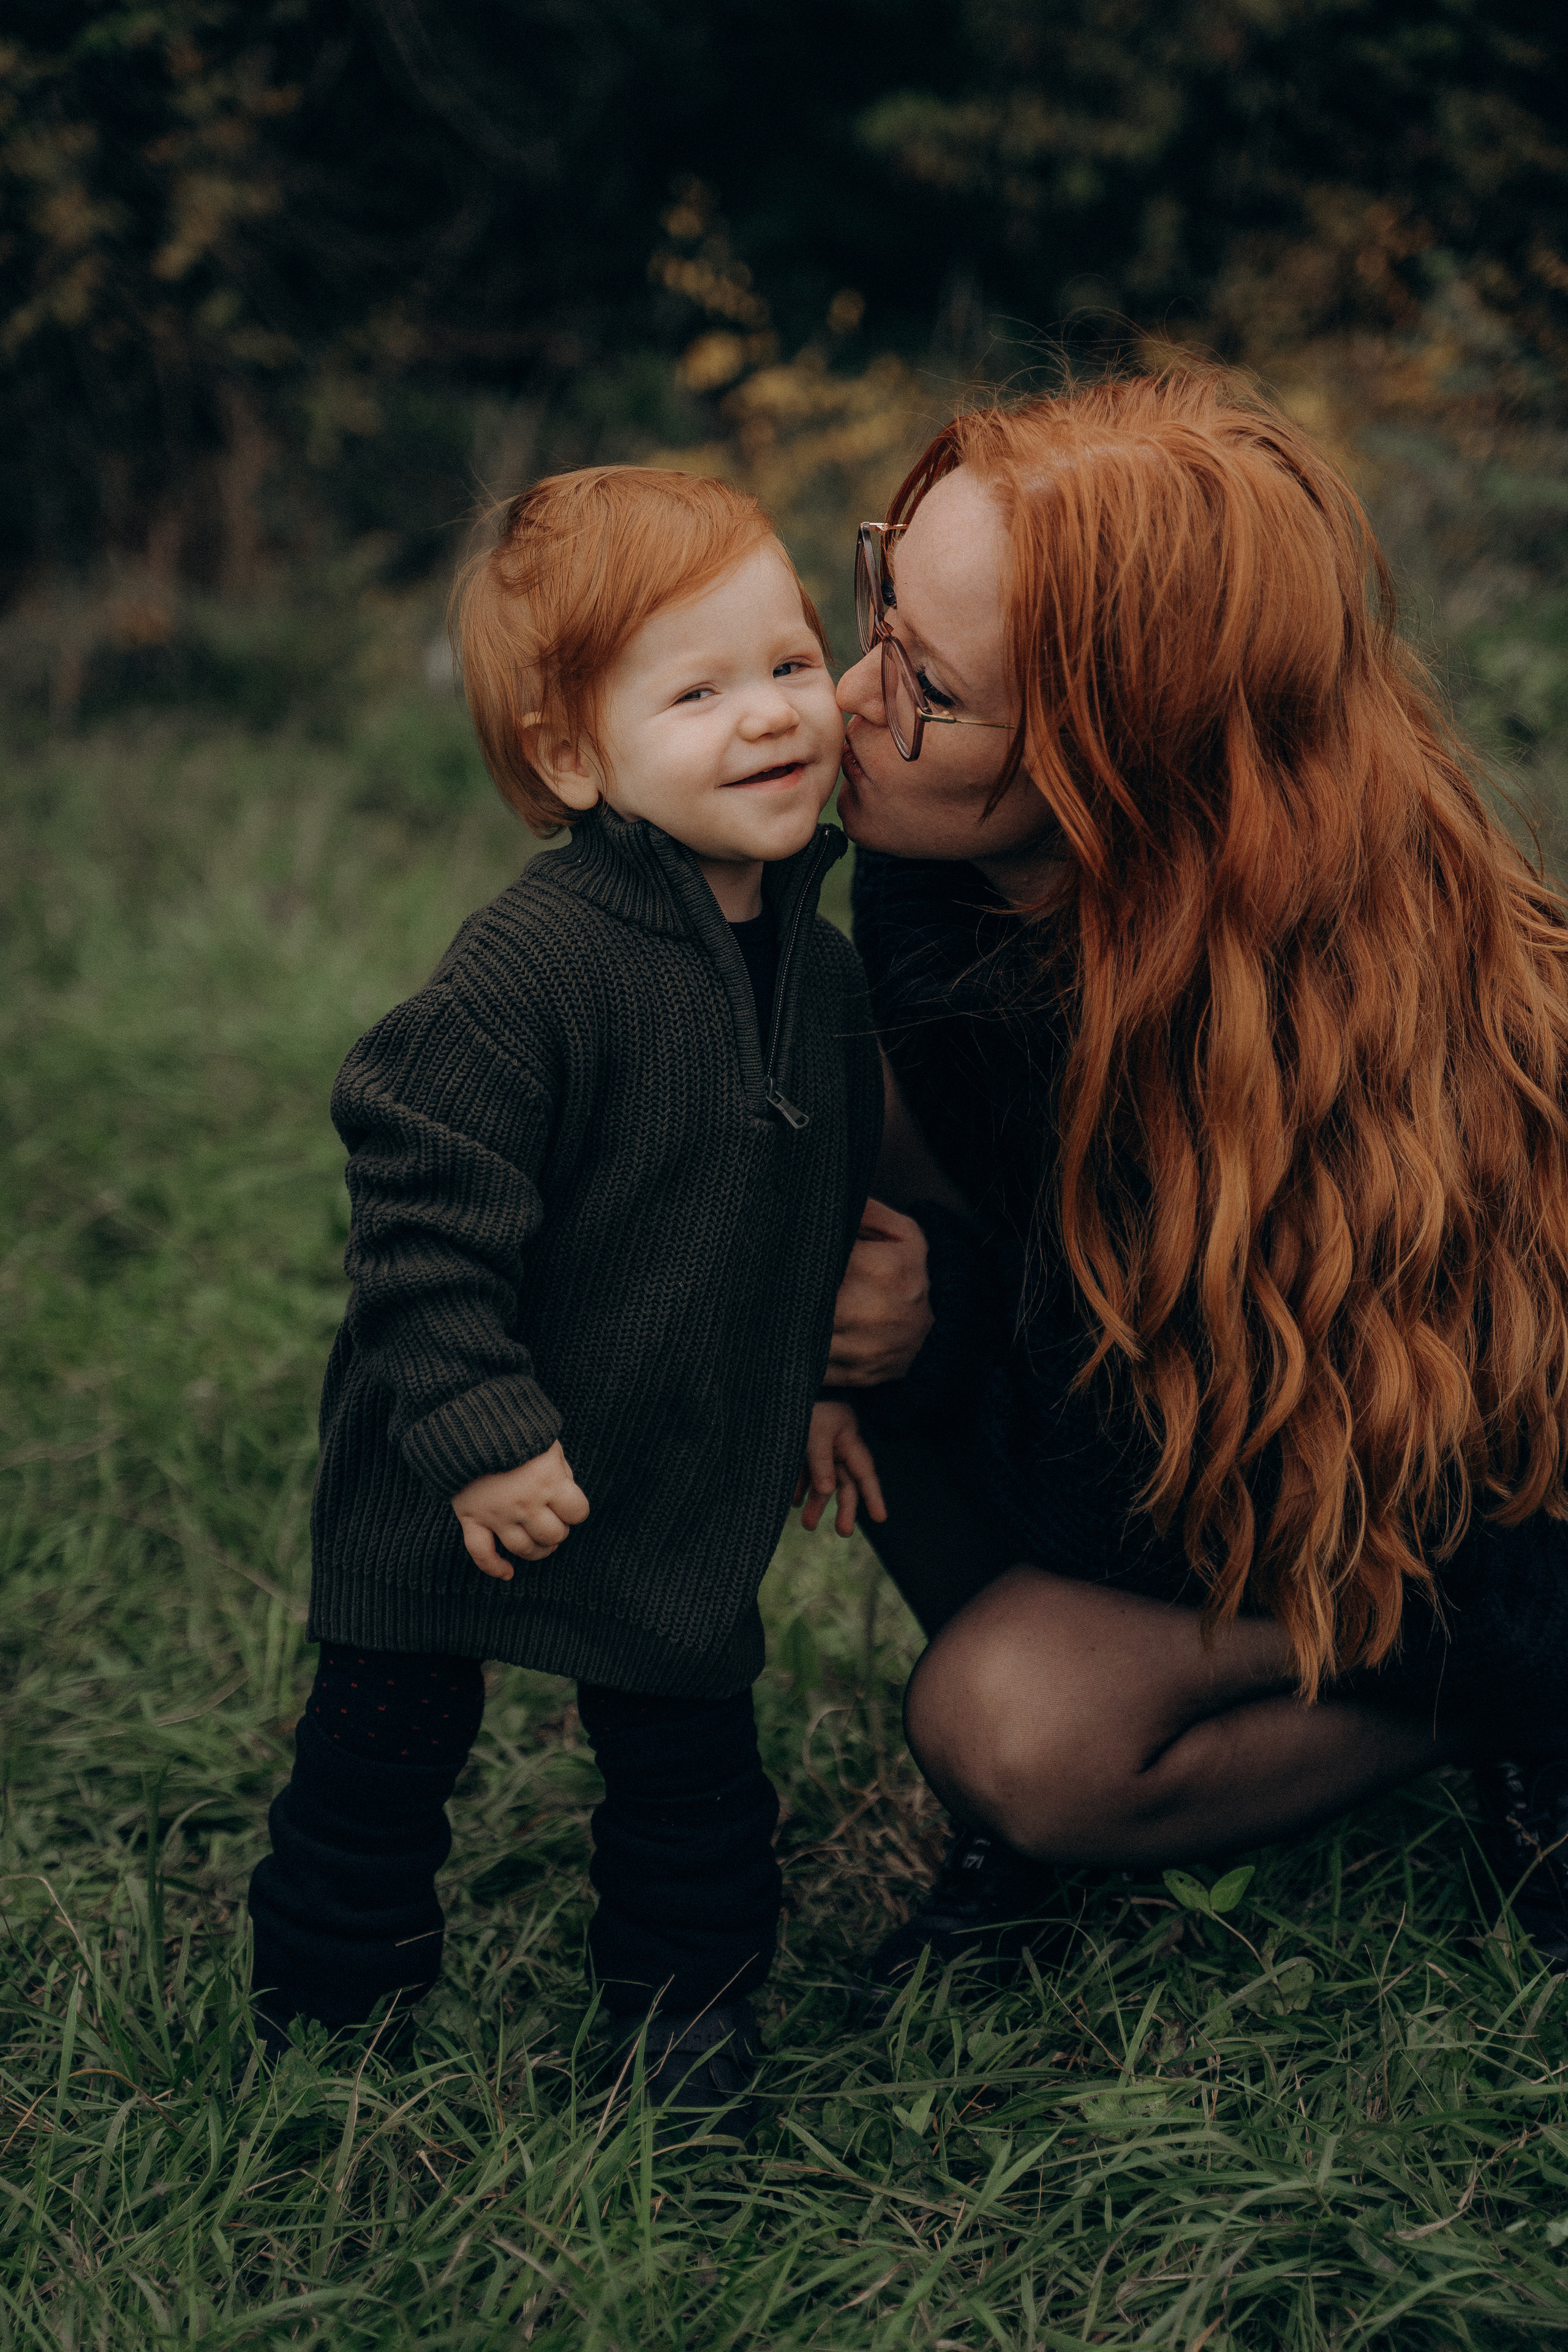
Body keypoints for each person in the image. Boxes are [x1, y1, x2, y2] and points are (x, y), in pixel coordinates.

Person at [812, 369, 1568, 1985]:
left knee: (1013, 1725)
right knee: (810, 1111)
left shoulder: (1252, 1042)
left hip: (1452, 1533)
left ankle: (1491, 1717)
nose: (847, 694)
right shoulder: (945, 865)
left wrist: (927, 1333)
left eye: (927, 687)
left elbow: (1147, 1499)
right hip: (1192, 1457)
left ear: (1117, 772)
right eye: (878, 599)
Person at [247, 467, 885, 2104]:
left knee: (685, 1744)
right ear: (570, 754)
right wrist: (473, 1426)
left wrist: (816, 1382)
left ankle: (688, 2018)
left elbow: (807, 1208)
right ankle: (334, 1998)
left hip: (673, 1450)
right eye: (699, 689)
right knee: (388, 1736)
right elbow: (419, 1206)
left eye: (792, 666)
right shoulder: (533, 971)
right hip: (461, 1455)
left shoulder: (821, 970)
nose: (768, 717)